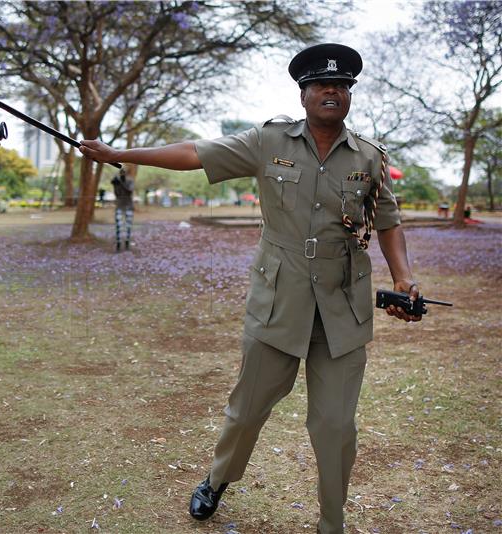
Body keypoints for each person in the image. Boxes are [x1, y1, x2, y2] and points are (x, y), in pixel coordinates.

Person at [80, 43, 422, 534]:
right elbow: (194, 154)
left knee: (335, 427)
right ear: (303, 95)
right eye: (322, 85)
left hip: (343, 309)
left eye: (342, 86)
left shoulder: (368, 158)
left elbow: (388, 222)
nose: (333, 91)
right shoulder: (269, 142)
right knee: (246, 411)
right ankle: (217, 480)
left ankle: (332, 522)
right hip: (278, 301)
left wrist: (403, 277)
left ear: (349, 96)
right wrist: (118, 154)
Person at [111, 169, 135, 251]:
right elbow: (117, 194)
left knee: (128, 226)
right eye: (121, 174)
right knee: (119, 225)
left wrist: (121, 183)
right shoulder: (118, 182)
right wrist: (115, 185)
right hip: (119, 205)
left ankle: (127, 242)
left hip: (128, 205)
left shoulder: (130, 181)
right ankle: (118, 243)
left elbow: (130, 191)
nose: (122, 175)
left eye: (123, 173)